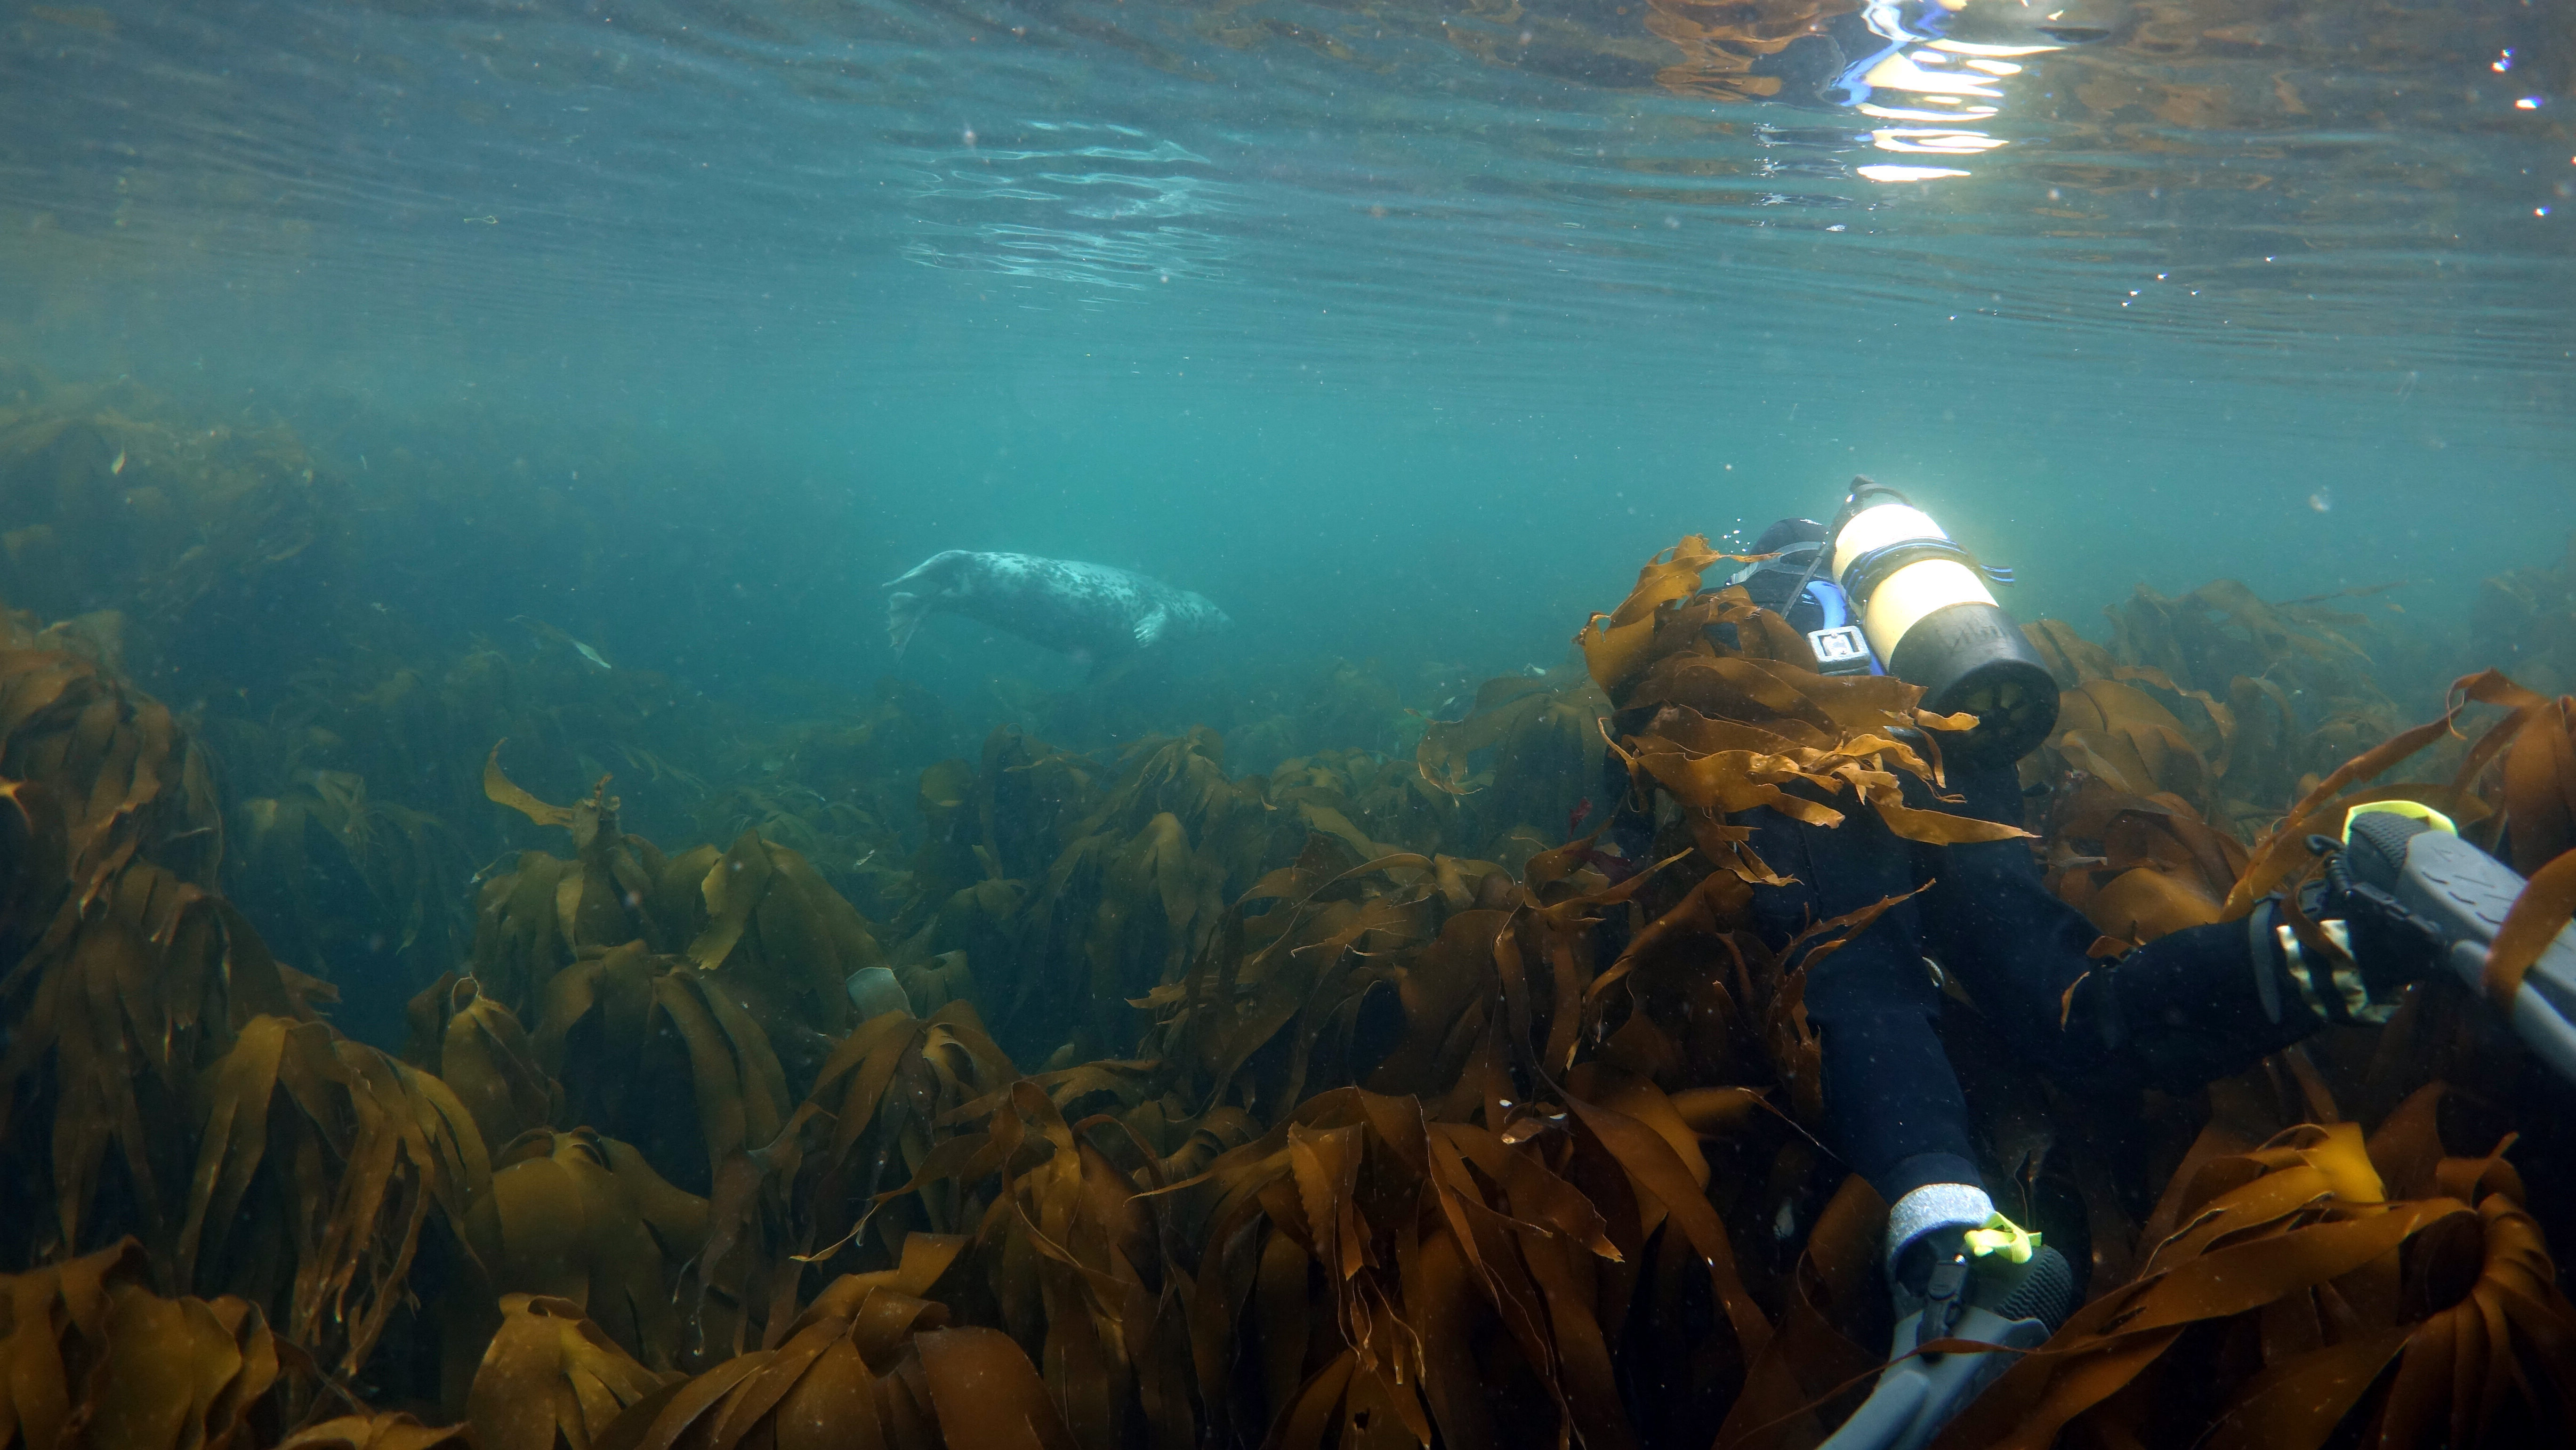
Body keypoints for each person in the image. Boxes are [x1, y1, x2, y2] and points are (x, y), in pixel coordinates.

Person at [1619, 515, 2446, 1442]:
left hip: (1819, 777)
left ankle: (1951, 1247)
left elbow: (1660, 757)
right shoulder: (1900, 597)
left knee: (1861, 977)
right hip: (1961, 765)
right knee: (2065, 995)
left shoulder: (1733, 607)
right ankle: (2328, 946)